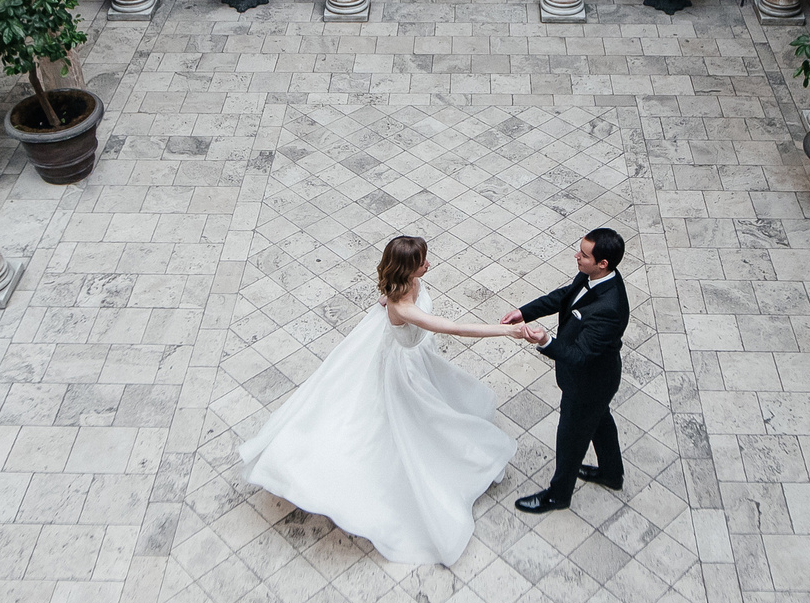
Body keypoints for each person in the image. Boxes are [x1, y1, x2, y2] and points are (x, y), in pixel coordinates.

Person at [239, 236, 525, 566]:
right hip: (402, 365)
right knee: (402, 422)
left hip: (412, 353)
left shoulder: (403, 283)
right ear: (407, 268)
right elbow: (455, 329)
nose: (428, 265)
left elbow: (386, 299)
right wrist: (507, 332)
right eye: (422, 262)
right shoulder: (402, 306)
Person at [500, 228, 631, 513]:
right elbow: (564, 297)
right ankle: (611, 473)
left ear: (603, 263)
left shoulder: (609, 307)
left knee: (571, 439)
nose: (576, 257)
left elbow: (580, 356)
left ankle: (558, 496)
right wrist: (525, 312)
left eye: (583, 255)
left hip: (589, 385)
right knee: (600, 420)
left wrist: (545, 341)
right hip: (595, 380)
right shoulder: (592, 276)